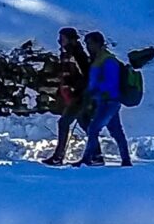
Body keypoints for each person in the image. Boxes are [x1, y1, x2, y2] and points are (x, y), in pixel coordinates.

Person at [78, 31, 133, 167]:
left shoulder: (108, 60)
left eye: (89, 44)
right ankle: (126, 160)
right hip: (107, 100)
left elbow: (111, 82)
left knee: (94, 128)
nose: (88, 47)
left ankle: (87, 158)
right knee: (116, 131)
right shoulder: (101, 59)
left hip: (108, 100)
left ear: (97, 43)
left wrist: (94, 90)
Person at [42, 28, 91, 166]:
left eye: (62, 38)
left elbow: (84, 75)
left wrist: (76, 89)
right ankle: (95, 153)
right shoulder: (68, 53)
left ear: (70, 39)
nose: (59, 42)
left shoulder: (76, 54)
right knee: (85, 124)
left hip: (77, 96)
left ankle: (58, 156)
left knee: (64, 123)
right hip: (74, 96)